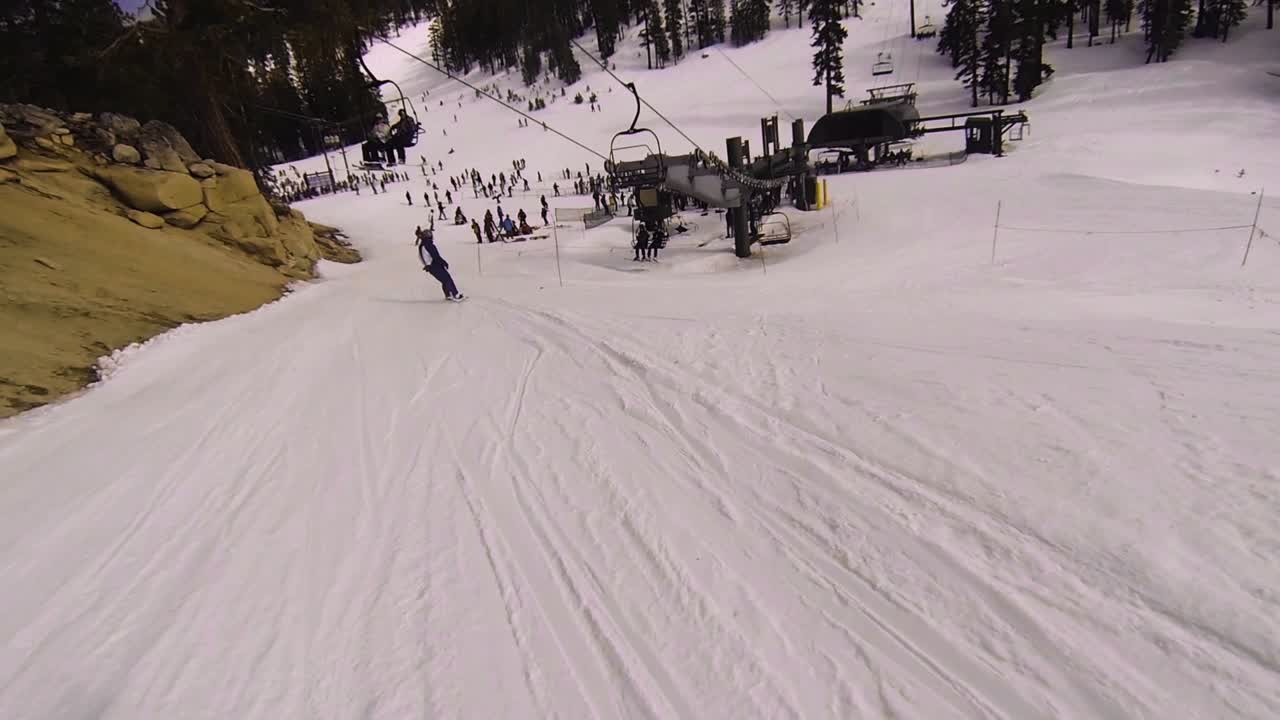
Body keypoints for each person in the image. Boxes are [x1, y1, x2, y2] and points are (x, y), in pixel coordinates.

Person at [415, 226, 463, 301]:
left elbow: (421, 256)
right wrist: (443, 262)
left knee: (444, 279)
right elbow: (435, 256)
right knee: (447, 278)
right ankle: (455, 294)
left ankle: (448, 294)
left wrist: (427, 265)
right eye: (430, 235)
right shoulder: (428, 245)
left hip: (431, 266)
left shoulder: (423, 245)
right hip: (434, 265)